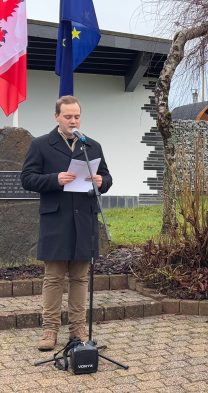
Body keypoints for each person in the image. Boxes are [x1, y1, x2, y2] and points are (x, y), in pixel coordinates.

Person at [21, 95, 112, 351]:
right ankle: (49, 330)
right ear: (57, 117)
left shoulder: (91, 146)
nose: (73, 121)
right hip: (56, 219)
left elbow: (107, 176)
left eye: (77, 116)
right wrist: (54, 179)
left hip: (84, 219)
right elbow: (27, 178)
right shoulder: (41, 145)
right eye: (68, 116)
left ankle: (78, 328)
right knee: (54, 278)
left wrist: (101, 182)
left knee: (80, 278)